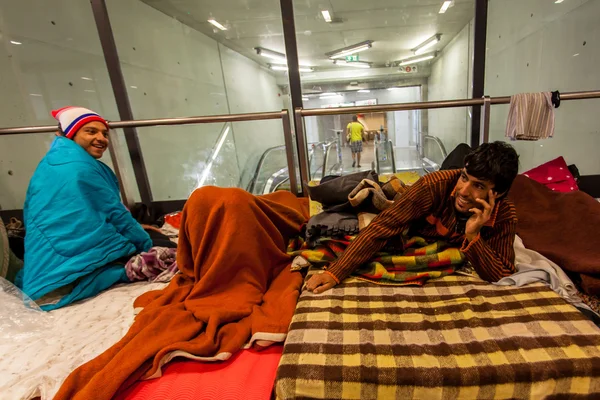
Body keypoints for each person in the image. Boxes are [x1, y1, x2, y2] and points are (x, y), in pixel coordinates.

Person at [305, 141, 520, 294]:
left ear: (497, 194)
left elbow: (502, 273)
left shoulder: (504, 213)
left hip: (441, 218)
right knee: (345, 200)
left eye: (479, 186)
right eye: (465, 178)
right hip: (411, 205)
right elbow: (383, 226)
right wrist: (335, 273)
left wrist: (473, 236)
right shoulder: (434, 185)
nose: (464, 190)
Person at [16, 107, 153, 310]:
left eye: (104, 133)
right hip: (72, 267)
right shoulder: (81, 167)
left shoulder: (50, 164)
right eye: (90, 131)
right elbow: (115, 214)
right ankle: (110, 273)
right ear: (70, 133)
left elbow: (31, 214)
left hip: (42, 266)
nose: (101, 138)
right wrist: (147, 245)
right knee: (163, 250)